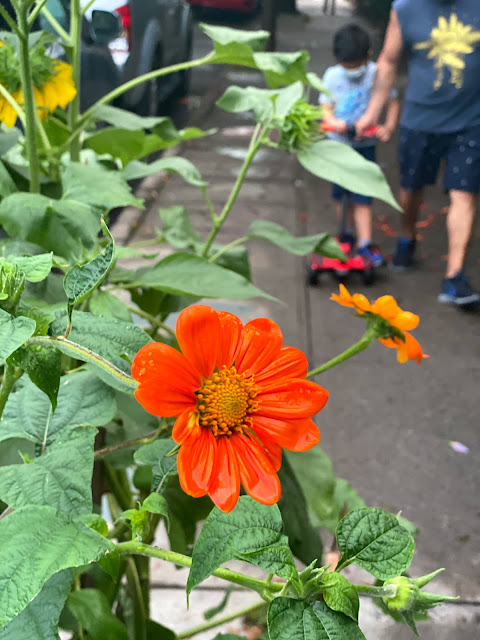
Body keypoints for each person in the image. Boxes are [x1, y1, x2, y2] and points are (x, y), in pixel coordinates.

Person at [356, 0, 480, 307]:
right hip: (420, 121)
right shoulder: (405, 7)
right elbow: (388, 60)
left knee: (463, 194)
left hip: (471, 121)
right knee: (411, 190)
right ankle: (407, 237)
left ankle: (454, 277)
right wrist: (373, 110)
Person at [320, 23, 400, 267]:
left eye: (357, 67)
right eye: (347, 67)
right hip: (338, 147)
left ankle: (365, 241)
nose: (352, 72)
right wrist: (335, 123)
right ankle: (345, 235)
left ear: (368, 56)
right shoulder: (332, 77)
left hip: (365, 147)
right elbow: (325, 110)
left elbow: (392, 101)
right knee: (340, 194)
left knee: (363, 195)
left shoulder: (377, 73)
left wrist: (387, 126)